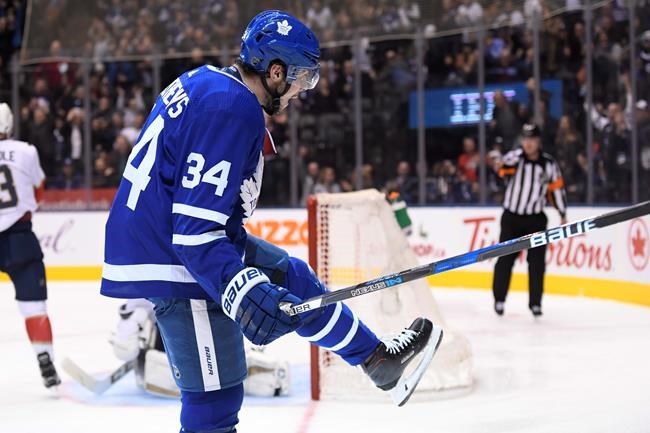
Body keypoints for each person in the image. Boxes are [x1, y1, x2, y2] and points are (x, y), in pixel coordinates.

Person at [100, 11, 442, 433]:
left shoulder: (208, 83)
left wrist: (243, 283)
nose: (302, 89)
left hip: (163, 237)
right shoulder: (232, 107)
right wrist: (238, 289)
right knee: (216, 398)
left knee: (291, 277)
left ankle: (379, 363)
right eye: (302, 77)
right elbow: (193, 233)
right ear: (276, 71)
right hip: (171, 252)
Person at [110, 299, 291, 398]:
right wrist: (133, 320)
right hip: (175, 333)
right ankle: (245, 370)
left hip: (203, 325)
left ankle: (250, 369)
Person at [0, 102, 61, 388]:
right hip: (20, 237)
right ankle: (44, 359)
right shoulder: (26, 151)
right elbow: (39, 187)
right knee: (34, 307)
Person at [492, 124, 568, 317]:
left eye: (531, 139)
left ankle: (536, 303)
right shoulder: (515, 158)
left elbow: (556, 189)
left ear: (538, 141)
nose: (528, 143)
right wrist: (500, 163)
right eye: (525, 139)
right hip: (512, 217)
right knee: (505, 259)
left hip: (535, 219)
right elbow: (500, 170)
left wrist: (562, 213)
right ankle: (499, 299)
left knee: (536, 263)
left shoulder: (549, 165)